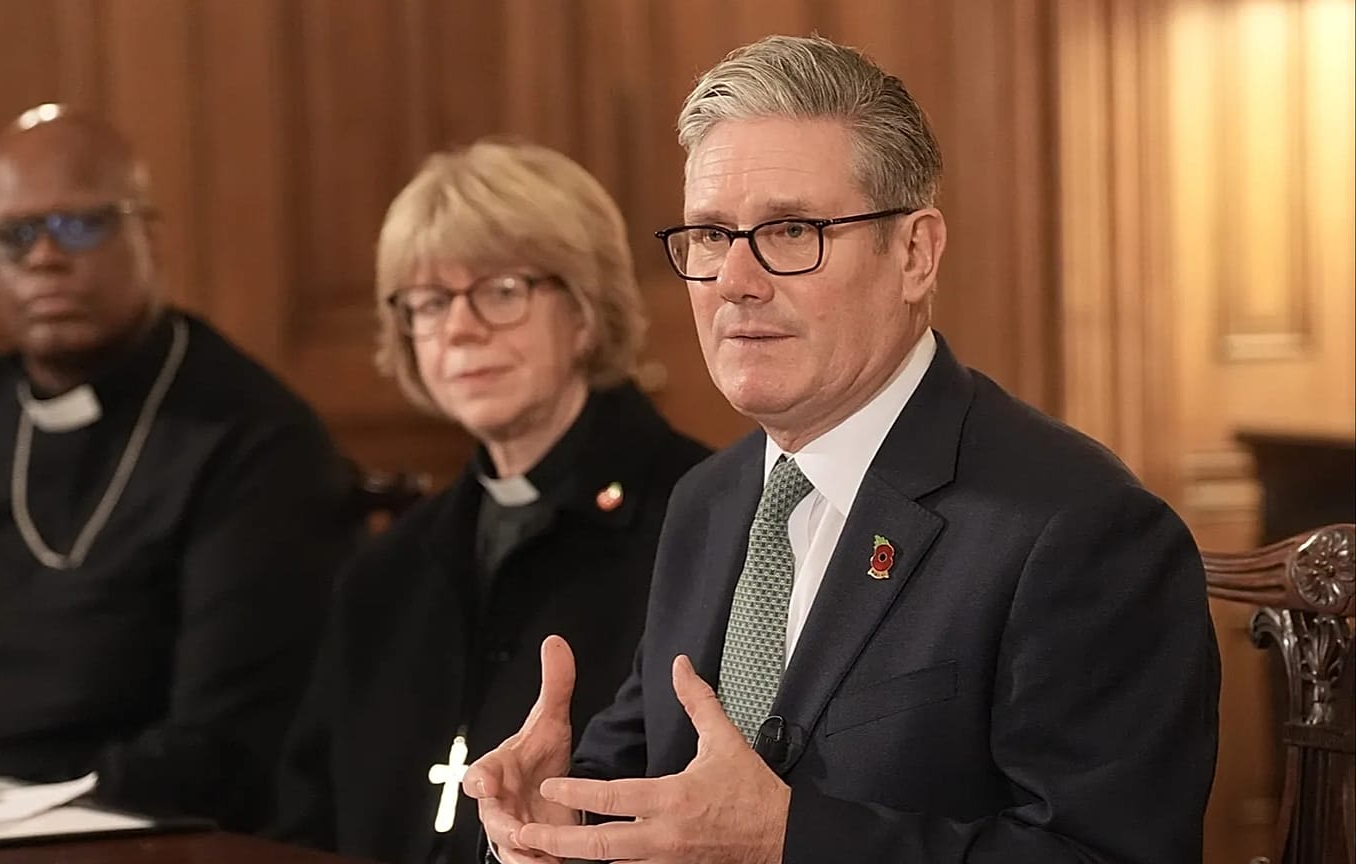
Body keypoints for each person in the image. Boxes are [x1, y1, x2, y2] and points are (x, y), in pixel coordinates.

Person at [465, 35, 1221, 864]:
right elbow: (659, 785)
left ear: (914, 253)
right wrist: (555, 824)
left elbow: (1107, 854)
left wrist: (791, 840)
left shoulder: (1080, 530)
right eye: (712, 236)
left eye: (791, 230)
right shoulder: (707, 499)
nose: (735, 281)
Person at [0, 105, 364, 831]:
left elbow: (225, 748)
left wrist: (0, 818)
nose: (44, 256)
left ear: (151, 234)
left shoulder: (253, 442)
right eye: (15, 235)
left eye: (80, 225)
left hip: (100, 835)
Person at [272, 139, 710, 864]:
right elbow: (306, 819)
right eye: (431, 302)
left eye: (502, 291)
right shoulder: (388, 571)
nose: (461, 328)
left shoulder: (701, 523)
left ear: (585, 310)